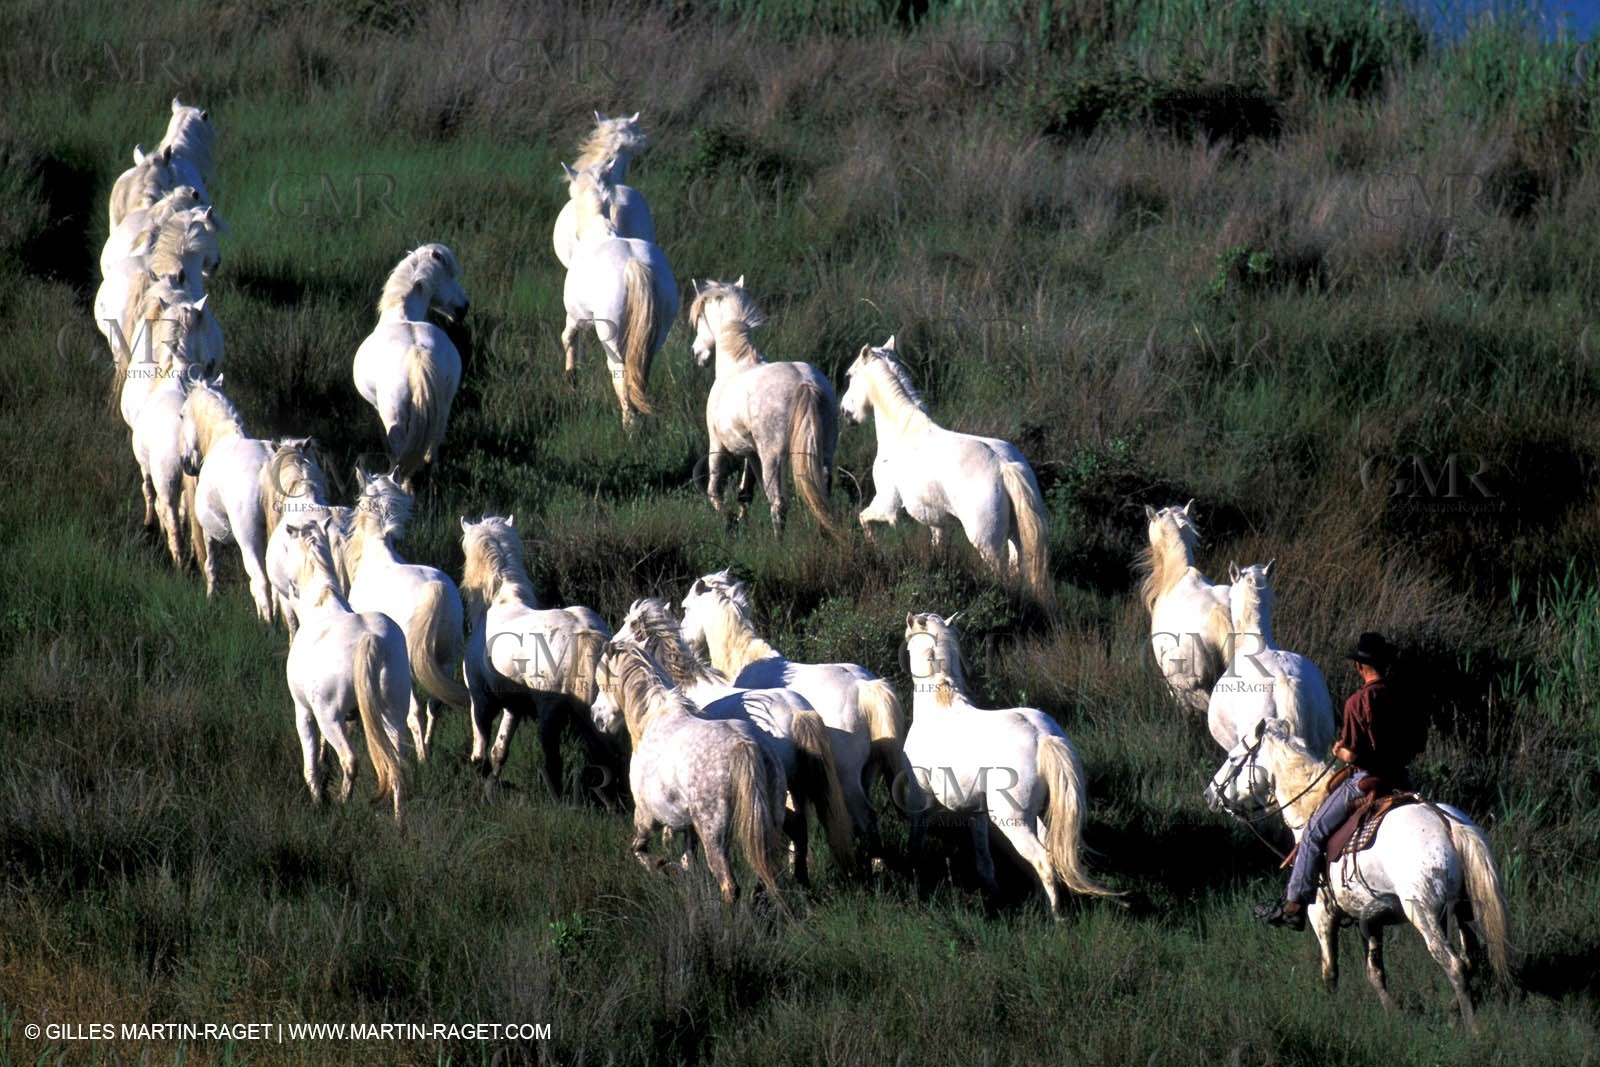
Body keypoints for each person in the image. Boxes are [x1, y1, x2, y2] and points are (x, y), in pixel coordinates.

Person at [1253, 631, 1425, 931]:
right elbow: (1418, 742)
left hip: (1366, 782)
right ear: (1385, 665)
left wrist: (1340, 751)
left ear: (1360, 667)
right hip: (1403, 779)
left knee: (1313, 832)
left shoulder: (1358, 702)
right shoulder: (1405, 696)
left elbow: (1354, 753)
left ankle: (1295, 905)